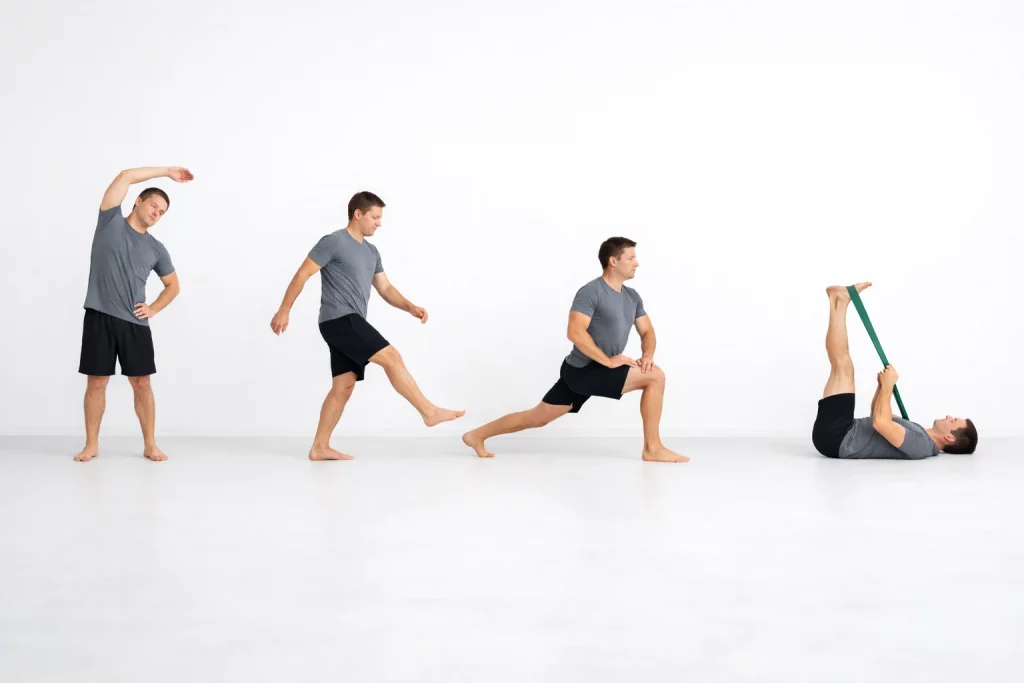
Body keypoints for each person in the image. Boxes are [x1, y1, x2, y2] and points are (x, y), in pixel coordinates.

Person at [270, 191, 464, 460]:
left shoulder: (372, 251)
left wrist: (409, 306)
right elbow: (303, 273)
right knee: (391, 357)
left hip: (350, 321)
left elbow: (385, 288)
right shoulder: (333, 241)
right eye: (375, 217)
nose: (379, 223)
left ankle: (319, 447)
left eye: (380, 218)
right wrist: (284, 309)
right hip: (339, 319)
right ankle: (428, 412)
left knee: (344, 386)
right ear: (357, 214)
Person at [462, 237, 688, 462]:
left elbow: (647, 331)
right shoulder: (591, 292)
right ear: (613, 261)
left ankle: (476, 435)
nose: (636, 263)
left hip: (592, 370)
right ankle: (652, 448)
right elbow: (575, 332)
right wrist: (608, 362)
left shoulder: (632, 296)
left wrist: (647, 355)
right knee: (655, 378)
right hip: (583, 370)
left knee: (537, 418)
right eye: (631, 257)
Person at [74, 166, 193, 462]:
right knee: (96, 382)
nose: (157, 213)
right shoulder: (110, 221)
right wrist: (166, 172)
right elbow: (125, 176)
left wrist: (152, 307)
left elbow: (173, 286)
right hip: (99, 316)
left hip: (135, 324)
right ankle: (91, 445)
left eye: (162, 212)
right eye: (154, 205)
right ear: (138, 201)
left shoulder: (156, 248)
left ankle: (150, 444)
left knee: (142, 383)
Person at [812, 283, 978, 459]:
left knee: (843, 366)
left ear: (949, 437)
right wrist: (882, 386)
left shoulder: (922, 446)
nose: (948, 416)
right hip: (841, 432)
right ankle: (838, 301)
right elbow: (879, 415)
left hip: (838, 438)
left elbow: (880, 423)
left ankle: (839, 301)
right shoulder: (920, 433)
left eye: (953, 421)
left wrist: (888, 386)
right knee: (842, 366)